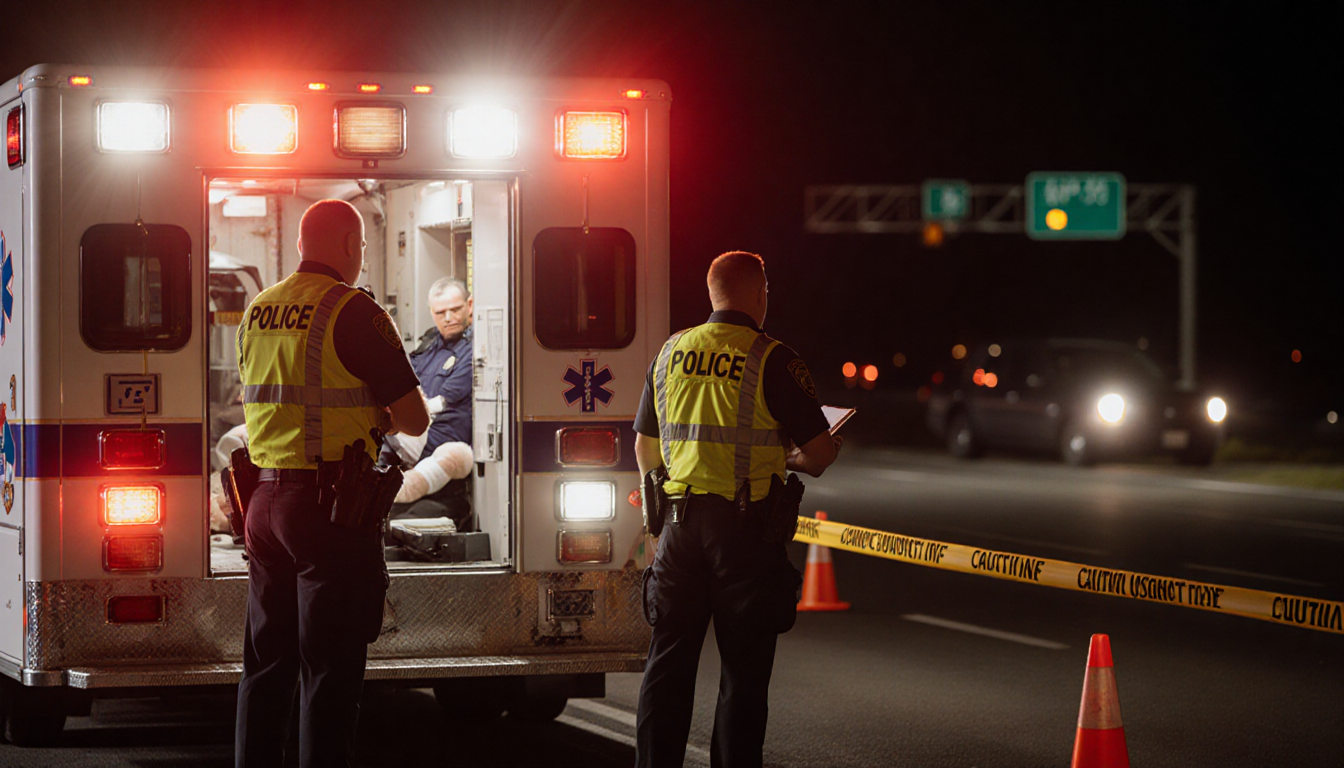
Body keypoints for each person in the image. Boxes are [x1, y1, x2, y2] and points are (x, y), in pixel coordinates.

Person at [234, 199, 430, 768]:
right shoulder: (353, 310)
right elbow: (414, 419)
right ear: (348, 245)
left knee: (266, 665)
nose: (362, 256)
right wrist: (378, 414)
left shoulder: (258, 309)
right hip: (326, 510)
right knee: (330, 672)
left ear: (301, 243)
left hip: (263, 503)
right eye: (363, 247)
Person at [633, 251, 841, 768]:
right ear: (759, 293)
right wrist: (792, 454)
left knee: (666, 668)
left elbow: (644, 445)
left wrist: (655, 516)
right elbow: (819, 455)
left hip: (679, 531)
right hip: (744, 537)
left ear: (712, 293)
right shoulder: (773, 358)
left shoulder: (671, 351)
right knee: (743, 678)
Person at [384, 277, 476, 528]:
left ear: (470, 305)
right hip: (413, 435)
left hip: (443, 437)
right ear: (432, 313)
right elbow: (406, 383)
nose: (448, 317)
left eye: (455, 309)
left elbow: (443, 400)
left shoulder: (476, 349)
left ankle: (373, 498)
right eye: (440, 312)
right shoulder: (429, 345)